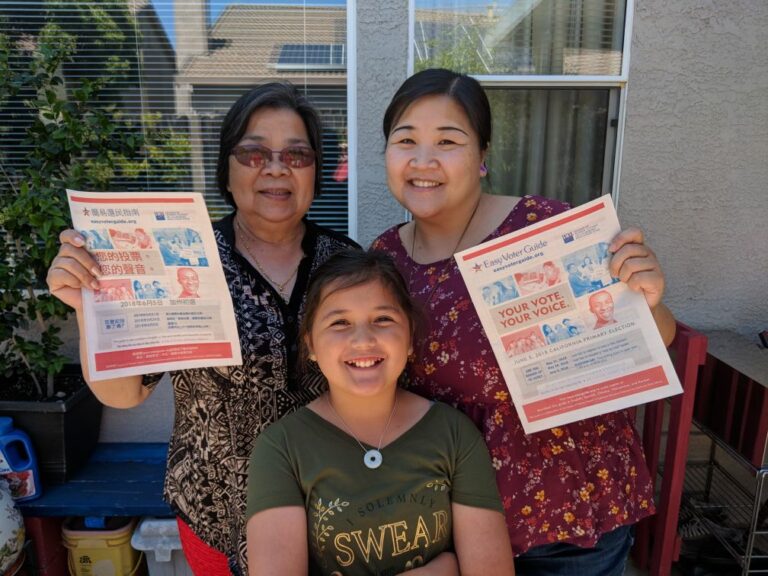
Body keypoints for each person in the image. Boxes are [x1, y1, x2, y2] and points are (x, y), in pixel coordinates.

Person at [371, 68, 676, 575]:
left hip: (568, 520)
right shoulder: (384, 258)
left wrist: (649, 298)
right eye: (406, 140)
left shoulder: (543, 227)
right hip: (453, 523)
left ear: (483, 156)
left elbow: (651, 342)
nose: (423, 161)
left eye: (448, 140)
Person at [46, 82, 359, 575]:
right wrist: (89, 305)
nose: (276, 168)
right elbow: (125, 394)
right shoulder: (179, 256)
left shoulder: (346, 264)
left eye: (296, 155)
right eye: (254, 153)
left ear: (315, 171)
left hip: (330, 512)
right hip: (217, 514)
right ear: (226, 169)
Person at [245, 250, 515, 576]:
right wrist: (441, 570)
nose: (363, 340)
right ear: (311, 345)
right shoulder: (281, 448)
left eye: (383, 319)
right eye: (340, 323)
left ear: (411, 337)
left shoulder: (454, 433)